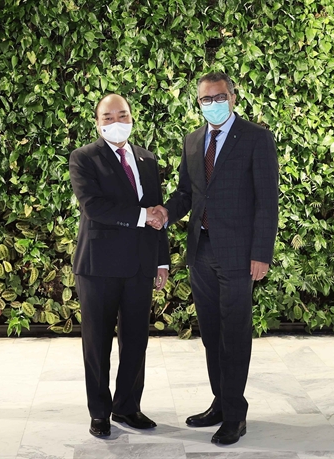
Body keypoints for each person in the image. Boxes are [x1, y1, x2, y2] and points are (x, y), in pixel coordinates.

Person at [152, 72, 279, 445]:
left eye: (219, 96)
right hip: (201, 251)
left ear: (233, 97)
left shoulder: (256, 138)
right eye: (206, 99)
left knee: (235, 334)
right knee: (211, 333)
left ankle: (236, 416)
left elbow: (267, 201)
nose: (213, 104)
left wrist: (261, 253)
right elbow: (186, 194)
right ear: (198, 103)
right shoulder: (193, 141)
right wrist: (165, 213)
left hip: (240, 254)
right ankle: (220, 403)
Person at [69, 94, 170, 438]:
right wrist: (143, 216)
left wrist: (162, 261)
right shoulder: (84, 158)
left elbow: (159, 213)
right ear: (97, 122)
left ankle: (128, 407)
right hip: (98, 266)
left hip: (140, 265)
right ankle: (99, 412)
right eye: (108, 117)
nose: (116, 122)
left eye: (122, 115)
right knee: (97, 343)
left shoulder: (146, 158)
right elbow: (94, 207)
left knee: (136, 341)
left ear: (132, 117)